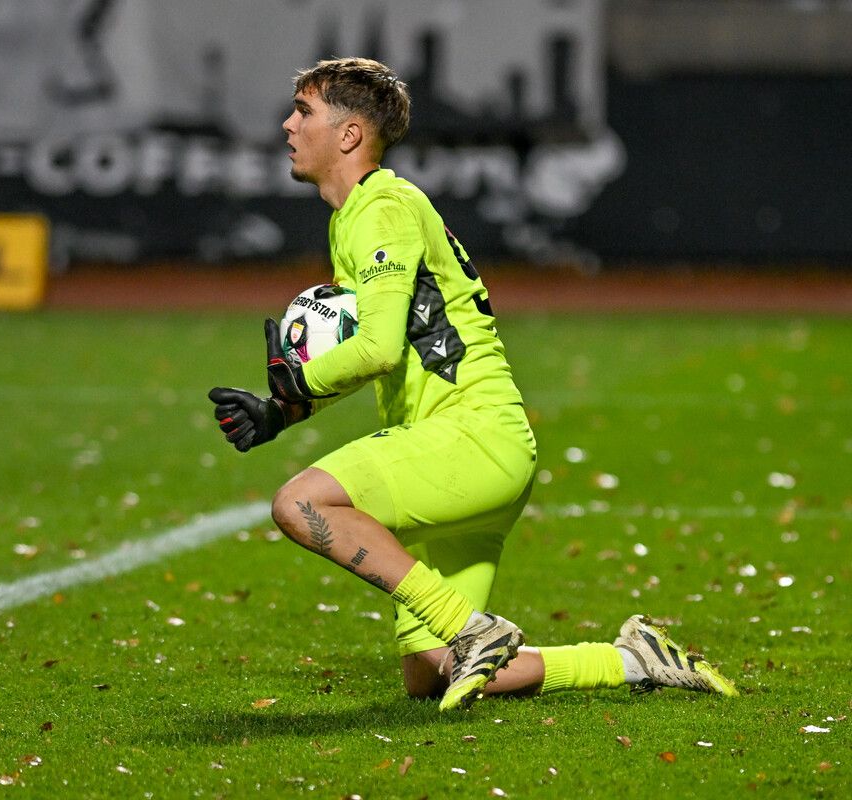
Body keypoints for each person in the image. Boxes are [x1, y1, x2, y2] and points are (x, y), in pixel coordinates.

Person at [208, 57, 738, 710]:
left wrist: (297, 380)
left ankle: (473, 628)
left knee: (300, 504)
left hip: (468, 437)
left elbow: (375, 349)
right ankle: (632, 660)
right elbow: (388, 346)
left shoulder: (382, 209)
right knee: (429, 676)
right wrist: (282, 410)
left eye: (304, 112)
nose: (288, 125)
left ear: (349, 134)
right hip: (479, 448)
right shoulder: (364, 214)